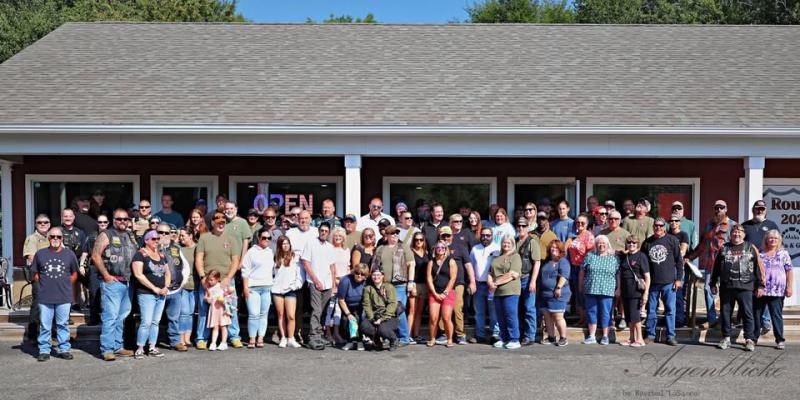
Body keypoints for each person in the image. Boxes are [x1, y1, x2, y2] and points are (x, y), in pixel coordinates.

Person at [92, 209, 138, 361]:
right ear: (113, 220)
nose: (123, 221)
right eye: (119, 219)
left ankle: (118, 346)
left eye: (125, 219)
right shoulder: (106, 234)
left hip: (128, 282)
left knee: (121, 316)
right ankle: (107, 349)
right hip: (112, 282)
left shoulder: (130, 236)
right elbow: (95, 255)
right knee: (110, 317)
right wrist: (106, 275)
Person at [711, 224, 765, 351]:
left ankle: (749, 339)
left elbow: (759, 267)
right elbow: (715, 267)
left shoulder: (751, 247)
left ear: (744, 235)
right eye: (734, 232)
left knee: (747, 314)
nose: (737, 234)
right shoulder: (723, 248)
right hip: (727, 287)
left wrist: (761, 285)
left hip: (746, 287)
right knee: (725, 314)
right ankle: (726, 338)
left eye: (740, 232)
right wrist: (713, 283)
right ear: (730, 235)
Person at [685, 199, 737, 328]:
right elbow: (702, 245)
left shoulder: (733, 225)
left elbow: (738, 245)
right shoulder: (709, 224)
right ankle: (712, 319)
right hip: (710, 264)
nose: (719, 210)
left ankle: (725, 319)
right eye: (716, 207)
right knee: (708, 289)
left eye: (722, 207)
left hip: (727, 265)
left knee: (726, 291)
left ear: (726, 209)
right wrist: (690, 257)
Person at [194, 212, 243, 349]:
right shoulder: (204, 238)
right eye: (218, 222)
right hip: (208, 280)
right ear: (212, 223)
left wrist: (228, 278)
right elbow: (199, 258)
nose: (221, 225)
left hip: (226, 281)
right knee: (204, 309)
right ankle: (202, 338)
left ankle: (234, 337)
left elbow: (235, 261)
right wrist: (202, 277)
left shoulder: (232, 238)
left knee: (230, 309)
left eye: (223, 222)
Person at [31, 227, 79, 361]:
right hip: (45, 296)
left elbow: (74, 274)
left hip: (64, 296)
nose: (55, 239)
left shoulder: (69, 254)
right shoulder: (40, 254)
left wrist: (64, 284)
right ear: (48, 238)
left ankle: (64, 349)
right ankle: (44, 350)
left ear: (62, 238)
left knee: (62, 324)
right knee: (45, 325)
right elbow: (35, 274)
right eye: (52, 236)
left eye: (58, 237)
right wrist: (46, 286)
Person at [370, 225, 415, 346]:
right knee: (385, 311)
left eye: (397, 233)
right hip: (384, 285)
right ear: (387, 235)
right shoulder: (380, 249)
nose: (395, 235)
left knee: (399, 310)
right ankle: (389, 336)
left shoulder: (403, 247)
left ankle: (404, 337)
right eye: (392, 233)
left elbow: (411, 264)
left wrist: (411, 282)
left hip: (400, 284)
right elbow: (374, 267)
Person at [642, 218, 683, 346]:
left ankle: (670, 336)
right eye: (656, 225)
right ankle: (650, 335)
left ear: (664, 227)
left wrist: (678, 279)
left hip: (669, 282)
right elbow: (643, 262)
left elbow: (679, 261)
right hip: (653, 283)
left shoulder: (672, 240)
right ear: (653, 227)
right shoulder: (647, 242)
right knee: (651, 310)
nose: (658, 228)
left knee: (670, 310)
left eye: (661, 226)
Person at [742, 199, 780, 334]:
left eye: (762, 209)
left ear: (765, 211)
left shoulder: (771, 225)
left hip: (767, 264)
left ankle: (765, 320)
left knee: (766, 290)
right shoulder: (745, 225)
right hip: (748, 264)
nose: (760, 211)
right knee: (751, 292)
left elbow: (778, 243)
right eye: (757, 208)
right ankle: (751, 319)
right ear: (753, 210)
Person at [131, 230, 170, 359]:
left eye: (158, 239)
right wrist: (154, 288)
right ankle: (140, 348)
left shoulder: (161, 255)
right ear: (146, 240)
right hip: (146, 293)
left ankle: (152, 346)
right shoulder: (140, 254)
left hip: (161, 293)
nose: (156, 241)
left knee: (155, 322)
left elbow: (168, 273)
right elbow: (138, 274)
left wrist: (166, 286)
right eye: (153, 239)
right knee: (146, 322)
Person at [753, 229, 794, 350]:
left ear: (779, 240)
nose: (773, 240)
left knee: (776, 316)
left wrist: (789, 287)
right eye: (770, 238)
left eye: (775, 238)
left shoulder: (783, 254)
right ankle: (753, 339)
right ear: (766, 240)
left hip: (778, 291)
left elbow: (789, 271)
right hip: (761, 289)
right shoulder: (760, 253)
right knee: (757, 315)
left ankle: (780, 340)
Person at [436, 226, 475, 345]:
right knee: (443, 309)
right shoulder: (437, 248)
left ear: (452, 236)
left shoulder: (460, 247)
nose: (446, 238)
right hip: (442, 284)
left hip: (458, 283)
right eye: (443, 236)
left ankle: (460, 334)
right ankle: (443, 333)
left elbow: (468, 265)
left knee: (457, 308)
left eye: (448, 235)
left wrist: (472, 281)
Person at [284, 209, 318, 343]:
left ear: (310, 219)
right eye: (301, 219)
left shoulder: (316, 232)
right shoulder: (291, 233)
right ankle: (296, 331)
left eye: (306, 218)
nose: (303, 221)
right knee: (297, 304)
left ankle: (313, 333)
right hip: (296, 270)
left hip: (313, 270)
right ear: (298, 220)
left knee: (314, 304)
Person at [579, 235, 620, 345]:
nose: (601, 245)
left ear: (607, 245)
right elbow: (582, 270)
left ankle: (605, 336)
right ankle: (592, 336)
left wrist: (618, 288)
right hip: (591, 288)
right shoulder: (590, 256)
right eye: (599, 243)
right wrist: (580, 285)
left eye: (603, 243)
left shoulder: (614, 258)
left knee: (606, 312)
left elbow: (618, 274)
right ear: (596, 245)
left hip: (607, 290)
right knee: (591, 312)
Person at [156, 223, 190, 352]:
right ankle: (151, 342)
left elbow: (185, 267)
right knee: (154, 319)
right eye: (160, 232)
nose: (163, 235)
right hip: (157, 290)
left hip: (175, 290)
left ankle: (175, 341)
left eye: (166, 233)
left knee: (174, 318)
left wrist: (182, 283)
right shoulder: (151, 247)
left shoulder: (176, 248)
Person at [240, 227, 275, 349]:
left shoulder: (270, 252)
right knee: (253, 314)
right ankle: (252, 338)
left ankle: (260, 337)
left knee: (263, 314)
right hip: (253, 287)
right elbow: (245, 271)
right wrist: (245, 287)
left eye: (269, 238)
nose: (266, 240)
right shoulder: (251, 252)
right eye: (264, 238)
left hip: (267, 287)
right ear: (259, 238)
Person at [301, 221, 336, 343]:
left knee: (324, 310)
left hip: (327, 283)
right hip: (314, 282)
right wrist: (316, 281)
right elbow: (306, 264)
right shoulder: (310, 244)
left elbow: (332, 267)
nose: (324, 233)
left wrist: (333, 285)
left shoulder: (330, 247)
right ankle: (313, 335)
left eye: (326, 231)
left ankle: (320, 334)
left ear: (329, 233)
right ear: (318, 231)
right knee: (316, 309)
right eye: (322, 230)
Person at [488, 234, 522, 349]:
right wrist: (490, 282)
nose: (506, 244)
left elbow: (512, 274)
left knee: (510, 315)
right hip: (497, 292)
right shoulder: (497, 257)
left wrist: (496, 283)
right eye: (504, 242)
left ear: (512, 244)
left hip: (511, 291)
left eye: (508, 243)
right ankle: (504, 338)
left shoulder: (515, 257)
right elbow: (490, 272)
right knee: (500, 316)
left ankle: (514, 339)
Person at [23, 214, 52, 341]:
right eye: (39, 222)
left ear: (49, 224)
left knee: (54, 303)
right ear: (35, 224)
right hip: (39, 275)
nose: (43, 224)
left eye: (45, 222)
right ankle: (33, 333)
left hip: (53, 276)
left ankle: (54, 332)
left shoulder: (53, 237)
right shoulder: (32, 238)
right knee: (37, 304)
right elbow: (31, 257)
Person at [469, 227, 500, 344]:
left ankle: (495, 334)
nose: (485, 237)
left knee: (494, 312)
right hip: (479, 284)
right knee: (479, 312)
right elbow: (471, 266)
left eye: (488, 235)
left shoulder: (497, 248)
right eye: (483, 235)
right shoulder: (475, 249)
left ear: (492, 236)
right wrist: (472, 282)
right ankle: (480, 335)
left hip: (492, 285)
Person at [538, 240, 571, 347]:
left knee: (558, 316)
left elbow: (564, 276)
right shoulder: (546, 261)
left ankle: (563, 337)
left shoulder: (563, 261)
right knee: (547, 316)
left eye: (556, 247)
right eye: (552, 247)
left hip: (557, 294)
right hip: (545, 294)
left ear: (561, 249)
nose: (553, 249)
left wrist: (558, 287)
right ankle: (551, 337)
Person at [618, 236, 650, 347]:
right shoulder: (625, 257)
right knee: (629, 317)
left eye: (634, 242)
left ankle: (640, 339)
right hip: (625, 290)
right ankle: (631, 338)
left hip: (636, 291)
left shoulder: (641, 256)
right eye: (629, 242)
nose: (631, 244)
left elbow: (647, 276)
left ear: (638, 244)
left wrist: (646, 293)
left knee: (635, 316)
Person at [271, 236, 303, 348]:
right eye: (283, 244)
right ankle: (283, 338)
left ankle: (291, 338)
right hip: (277, 290)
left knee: (291, 316)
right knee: (281, 315)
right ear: (279, 245)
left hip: (290, 290)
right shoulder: (275, 258)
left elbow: (300, 275)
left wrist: (295, 286)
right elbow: (272, 274)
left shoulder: (295, 258)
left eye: (287, 243)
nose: (286, 246)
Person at [426, 241, 457, 347]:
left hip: (448, 292)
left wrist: (445, 292)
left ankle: (449, 339)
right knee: (433, 318)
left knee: (446, 317)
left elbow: (453, 278)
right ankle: (432, 338)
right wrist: (434, 293)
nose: (440, 249)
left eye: (443, 247)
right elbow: (429, 279)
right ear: (435, 249)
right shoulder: (431, 262)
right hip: (434, 292)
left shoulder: (451, 261)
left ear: (446, 249)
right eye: (438, 247)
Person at [565, 214, 594, 326]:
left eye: (582, 223)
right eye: (578, 222)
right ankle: (582, 318)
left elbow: (590, 253)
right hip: (573, 267)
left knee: (582, 293)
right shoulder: (573, 235)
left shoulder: (588, 236)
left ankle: (587, 319)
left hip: (583, 269)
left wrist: (584, 268)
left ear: (587, 224)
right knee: (577, 294)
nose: (580, 224)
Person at [361, 267, 400, 351]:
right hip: (375, 315)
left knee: (383, 330)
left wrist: (382, 319)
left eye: (378, 275)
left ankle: (393, 340)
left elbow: (392, 304)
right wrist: (371, 318)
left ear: (382, 276)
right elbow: (367, 305)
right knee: (365, 326)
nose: (376, 277)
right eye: (374, 275)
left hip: (389, 316)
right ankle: (377, 341)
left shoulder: (389, 287)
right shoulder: (368, 288)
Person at [516, 218, 541, 346]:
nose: (521, 228)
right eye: (519, 225)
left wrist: (533, 281)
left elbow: (537, 262)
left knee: (529, 308)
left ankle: (530, 336)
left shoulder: (532, 242)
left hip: (527, 278)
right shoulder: (514, 241)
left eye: (524, 226)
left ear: (528, 227)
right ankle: (519, 334)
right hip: (514, 280)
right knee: (517, 308)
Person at [337, 263, 369, 351]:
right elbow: (341, 299)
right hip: (347, 304)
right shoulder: (345, 281)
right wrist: (348, 314)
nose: (359, 276)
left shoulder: (366, 282)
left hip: (361, 305)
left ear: (366, 276)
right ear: (354, 272)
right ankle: (350, 341)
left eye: (362, 274)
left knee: (360, 318)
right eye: (357, 273)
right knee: (347, 320)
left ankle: (360, 341)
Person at [328, 227, 351, 344]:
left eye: (340, 236)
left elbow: (348, 267)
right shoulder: (329, 249)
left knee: (338, 309)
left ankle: (336, 333)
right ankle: (328, 334)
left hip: (343, 282)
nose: (338, 238)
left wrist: (345, 281)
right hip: (332, 282)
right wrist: (335, 281)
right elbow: (329, 267)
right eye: (336, 236)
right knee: (329, 309)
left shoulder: (346, 250)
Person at [667, 213, 690, 328]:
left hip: (678, 267)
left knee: (678, 294)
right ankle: (670, 318)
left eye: (676, 221)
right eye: (671, 221)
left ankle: (680, 319)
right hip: (667, 268)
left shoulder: (683, 235)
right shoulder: (666, 234)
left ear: (679, 223)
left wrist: (670, 256)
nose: (673, 223)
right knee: (668, 294)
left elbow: (682, 252)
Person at [177, 228, 197, 350]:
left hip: (195, 285)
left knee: (190, 313)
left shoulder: (197, 248)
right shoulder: (180, 249)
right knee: (184, 312)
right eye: (180, 236)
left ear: (190, 236)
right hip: (183, 284)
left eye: (183, 235)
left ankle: (187, 338)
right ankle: (181, 338)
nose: (181, 238)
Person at [408, 232, 430, 342]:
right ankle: (408, 335)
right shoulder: (410, 252)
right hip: (414, 283)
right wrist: (410, 283)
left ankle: (416, 334)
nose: (419, 241)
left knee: (419, 311)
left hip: (424, 284)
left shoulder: (426, 253)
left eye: (421, 239)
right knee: (412, 310)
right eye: (416, 239)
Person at [204, 270, 233, 351]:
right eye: (208, 280)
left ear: (218, 279)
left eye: (212, 280)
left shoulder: (222, 286)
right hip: (214, 310)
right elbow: (206, 297)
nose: (210, 282)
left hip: (222, 310)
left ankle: (224, 343)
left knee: (223, 326)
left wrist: (224, 299)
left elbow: (229, 297)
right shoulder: (209, 288)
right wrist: (207, 299)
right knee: (215, 327)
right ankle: (213, 343)